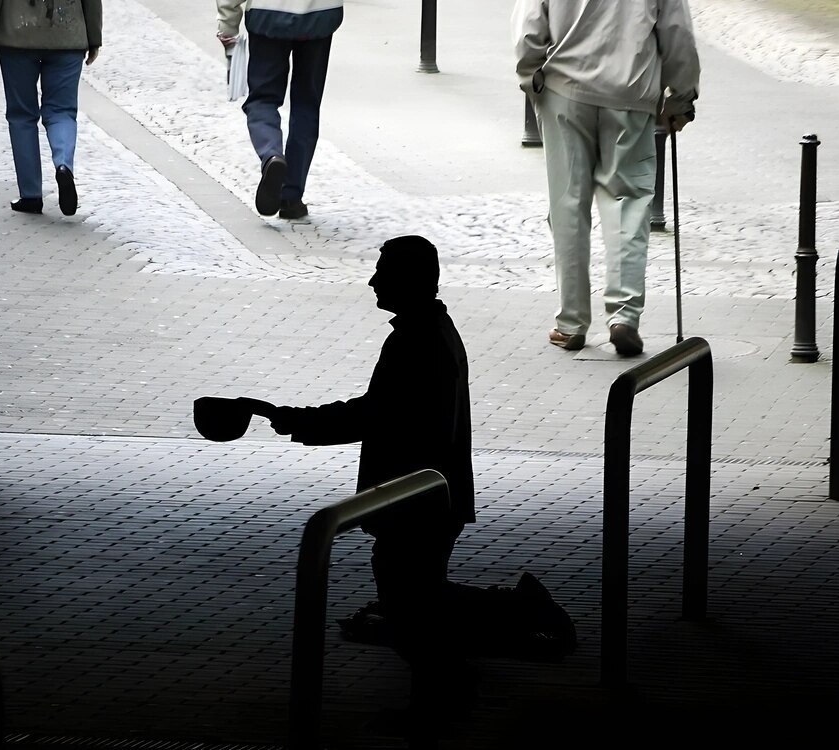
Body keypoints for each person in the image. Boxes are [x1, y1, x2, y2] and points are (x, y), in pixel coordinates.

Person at [245, 236, 575, 734]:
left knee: (411, 604)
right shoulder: (431, 331)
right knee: (419, 597)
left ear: (411, 279)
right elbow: (383, 413)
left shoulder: (417, 339)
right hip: (429, 497)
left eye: (383, 271)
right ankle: (469, 660)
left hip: (417, 500)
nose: (373, 281)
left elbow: (375, 416)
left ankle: (461, 671)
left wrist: (295, 420)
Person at [512, 0, 701, 356]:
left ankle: (571, 323)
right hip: (629, 93)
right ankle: (624, 317)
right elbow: (678, 36)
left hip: (564, 89)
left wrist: (530, 76)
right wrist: (680, 99)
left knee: (568, 204)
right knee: (628, 204)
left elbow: (529, 25)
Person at [216, 0, 342, 221]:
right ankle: (291, 197)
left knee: (262, 99)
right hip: (319, 14)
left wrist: (228, 24)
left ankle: (271, 154)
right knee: (307, 104)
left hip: (267, 13)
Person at [0, 0, 103, 216]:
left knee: (21, 116)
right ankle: (64, 166)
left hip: (18, 35)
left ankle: (31, 194)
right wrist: (93, 38)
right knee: (62, 111)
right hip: (68, 35)